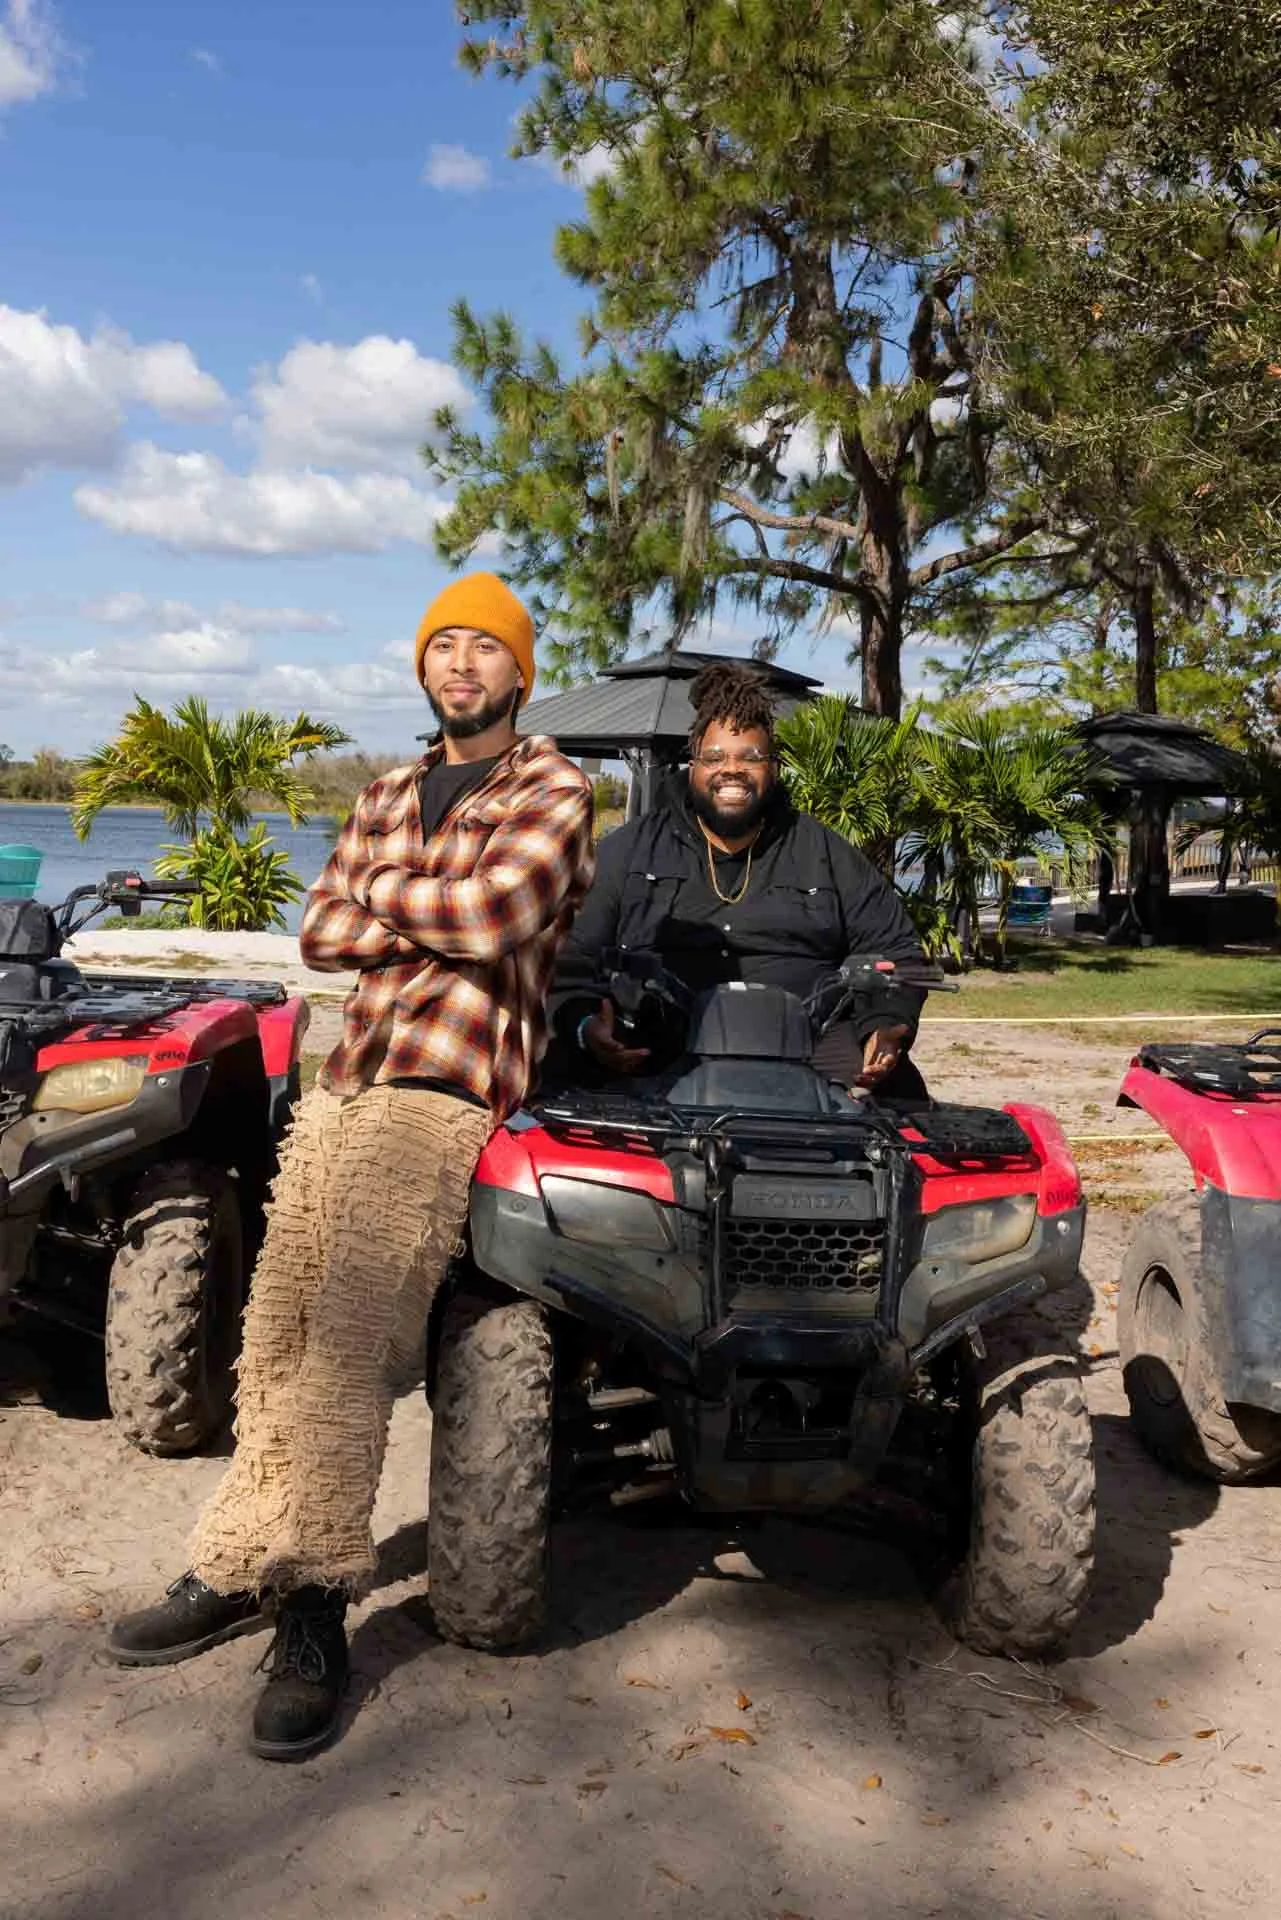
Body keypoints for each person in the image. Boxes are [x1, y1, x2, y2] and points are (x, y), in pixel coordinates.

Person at [108, 572, 594, 1760]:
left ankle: (316, 1602)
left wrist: (382, 895)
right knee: (272, 1338)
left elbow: (493, 919)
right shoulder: (385, 786)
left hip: (444, 1093)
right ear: (425, 666)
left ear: (518, 671)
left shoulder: (557, 785)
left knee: (345, 1354)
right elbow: (319, 929)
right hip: (344, 1083)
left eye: (487, 647)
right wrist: (404, 900)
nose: (464, 663)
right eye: (446, 646)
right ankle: (237, 1561)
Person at [550, 663, 929, 1098]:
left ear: (774, 767)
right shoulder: (630, 850)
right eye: (714, 757)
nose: (732, 769)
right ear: (693, 764)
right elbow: (568, 954)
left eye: (751, 757)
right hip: (657, 1044)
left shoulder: (824, 852)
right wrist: (583, 1023)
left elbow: (899, 951)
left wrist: (883, 1027)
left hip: (810, 1048)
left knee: (900, 1106)